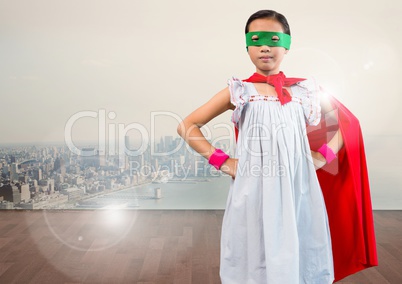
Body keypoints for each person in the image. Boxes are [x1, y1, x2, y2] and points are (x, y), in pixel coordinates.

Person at [177, 9, 377, 283]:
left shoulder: (304, 91)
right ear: (247, 45)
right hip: (254, 186)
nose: (265, 47)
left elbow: (346, 125)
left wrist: (322, 156)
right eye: (256, 40)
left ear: (287, 44)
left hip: (298, 186)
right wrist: (224, 162)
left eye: (273, 40)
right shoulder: (239, 91)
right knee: (253, 247)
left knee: (301, 244)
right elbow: (187, 126)